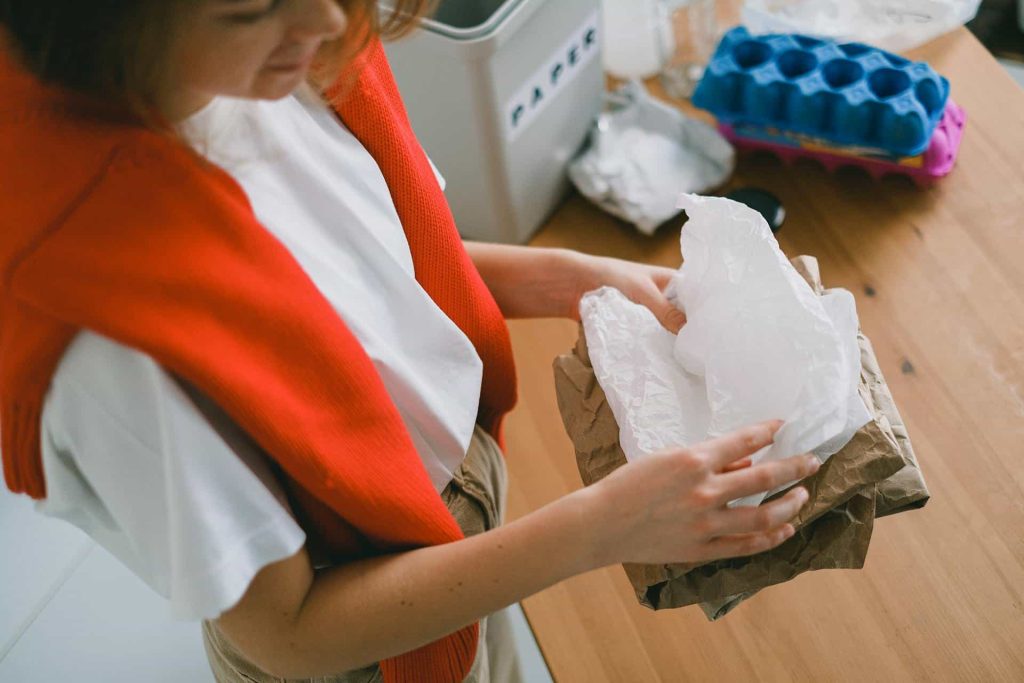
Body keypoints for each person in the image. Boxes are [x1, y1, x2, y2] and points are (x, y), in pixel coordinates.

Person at [0, 1, 819, 681]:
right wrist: (602, 528)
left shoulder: (266, 58)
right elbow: (288, 631)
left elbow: (352, 270)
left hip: (436, 528)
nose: (326, 18)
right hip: (357, 632)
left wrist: (559, 276)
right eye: (252, 6)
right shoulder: (109, 338)